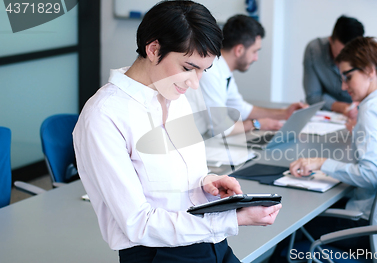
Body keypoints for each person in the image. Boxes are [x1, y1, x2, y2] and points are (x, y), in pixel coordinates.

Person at [73, 2, 281, 263]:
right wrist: (232, 219)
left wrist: (206, 183)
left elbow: (174, 178)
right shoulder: (104, 116)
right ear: (153, 49)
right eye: (187, 68)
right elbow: (138, 224)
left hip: (210, 243)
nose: (195, 83)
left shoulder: (175, 96)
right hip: (159, 254)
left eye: (203, 71)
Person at [289, 37, 377, 252]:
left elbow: (370, 174)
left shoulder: (372, 110)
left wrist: (321, 163)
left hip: (367, 225)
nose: (343, 86)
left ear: (369, 70)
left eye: (348, 77)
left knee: (293, 225)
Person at [186, 14, 306, 136]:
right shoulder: (210, 72)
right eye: (254, 51)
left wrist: (284, 113)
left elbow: (241, 109)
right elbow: (220, 128)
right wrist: (256, 124)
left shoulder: (223, 71)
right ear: (239, 50)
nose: (256, 58)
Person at [303, 15, 364, 116]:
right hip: (328, 117)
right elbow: (313, 97)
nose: (344, 86)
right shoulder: (314, 51)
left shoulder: (367, 56)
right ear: (331, 40)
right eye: (339, 55)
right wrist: (343, 107)